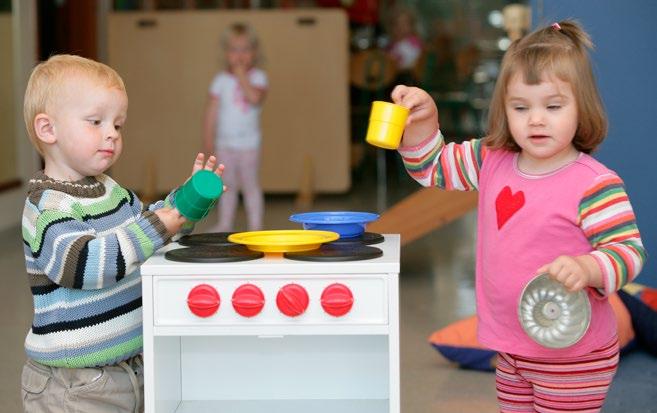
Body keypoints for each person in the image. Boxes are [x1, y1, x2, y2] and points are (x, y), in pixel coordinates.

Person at [392, 20, 646, 412]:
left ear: (582, 106)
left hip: (573, 356)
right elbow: (433, 167)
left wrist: (589, 267)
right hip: (511, 349)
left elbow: (627, 252)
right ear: (504, 108)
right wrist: (423, 123)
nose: (536, 119)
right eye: (521, 107)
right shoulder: (491, 159)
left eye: (553, 106)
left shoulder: (594, 184)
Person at [20, 54, 223, 413]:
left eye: (118, 124)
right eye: (95, 122)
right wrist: (158, 225)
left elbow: (149, 236)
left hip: (131, 368)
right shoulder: (47, 207)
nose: (111, 133)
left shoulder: (114, 193)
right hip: (75, 385)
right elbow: (85, 264)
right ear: (48, 129)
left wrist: (184, 203)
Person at [203, 22, 267, 232]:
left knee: (250, 186)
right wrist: (209, 140)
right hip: (224, 144)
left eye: (245, 49)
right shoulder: (220, 80)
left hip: (249, 145)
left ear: (255, 52)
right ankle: (225, 223)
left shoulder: (258, 77)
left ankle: (256, 226)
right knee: (226, 186)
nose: (240, 55)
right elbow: (211, 112)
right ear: (226, 53)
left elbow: (255, 98)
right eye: (234, 49)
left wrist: (241, 77)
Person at [386, 5, 423, 85]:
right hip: (392, 78)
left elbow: (414, 62)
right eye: (397, 24)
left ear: (411, 26)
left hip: (408, 79)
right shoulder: (391, 44)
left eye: (404, 24)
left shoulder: (413, 42)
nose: (400, 27)